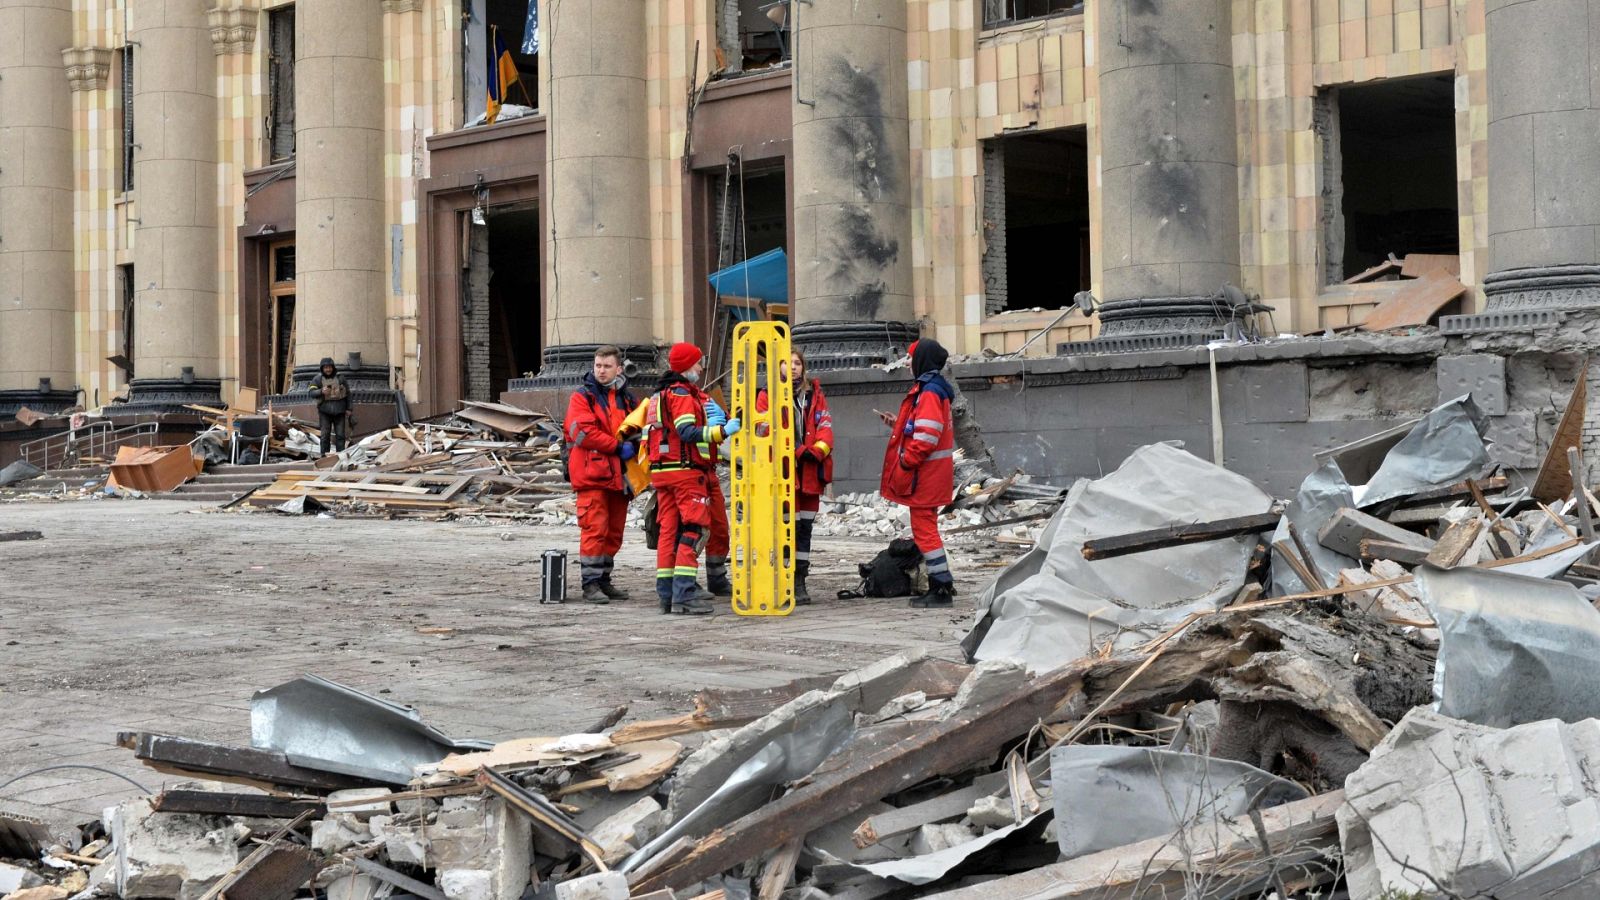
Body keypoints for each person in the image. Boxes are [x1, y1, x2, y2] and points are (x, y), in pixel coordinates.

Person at [645, 343, 740, 614]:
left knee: (668, 532)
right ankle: (684, 594)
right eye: (698, 363)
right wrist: (722, 431)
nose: (701, 367)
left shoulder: (659, 396)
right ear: (687, 365)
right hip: (686, 472)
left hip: (664, 473)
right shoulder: (683, 395)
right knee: (696, 529)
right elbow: (687, 432)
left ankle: (667, 592)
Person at [879, 339, 956, 608]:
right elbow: (922, 428)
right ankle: (942, 582)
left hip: (924, 475)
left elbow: (925, 438)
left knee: (925, 531)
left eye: (911, 358)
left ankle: (941, 588)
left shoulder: (929, 392)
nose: (909, 363)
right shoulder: (933, 390)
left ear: (923, 359)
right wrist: (896, 425)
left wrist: (906, 462)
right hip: (932, 474)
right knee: (927, 529)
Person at [756, 350, 834, 604]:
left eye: (797, 363)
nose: (792, 368)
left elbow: (825, 427)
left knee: (804, 528)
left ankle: (799, 580)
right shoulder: (768, 395)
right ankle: (785, 579)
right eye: (786, 363)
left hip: (810, 471)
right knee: (787, 526)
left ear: (804, 367)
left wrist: (816, 452)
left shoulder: (814, 394)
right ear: (777, 368)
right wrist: (798, 450)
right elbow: (766, 431)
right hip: (784, 472)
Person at [563, 346, 639, 604]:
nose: (601, 370)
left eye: (607, 366)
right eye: (598, 366)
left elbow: (639, 427)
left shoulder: (627, 399)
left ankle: (604, 581)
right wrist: (619, 447)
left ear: (619, 369)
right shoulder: (582, 397)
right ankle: (590, 584)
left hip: (618, 476)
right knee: (595, 529)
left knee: (613, 532)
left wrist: (637, 444)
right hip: (592, 474)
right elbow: (582, 433)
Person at [308, 357, 352, 456]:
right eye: (326, 368)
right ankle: (324, 458)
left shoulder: (341, 378)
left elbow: (348, 394)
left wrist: (349, 408)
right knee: (324, 436)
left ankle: (341, 458)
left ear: (333, 367)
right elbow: (311, 392)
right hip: (324, 412)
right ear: (322, 369)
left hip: (340, 411)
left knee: (340, 436)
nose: (328, 370)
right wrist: (320, 391)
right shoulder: (317, 379)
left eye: (330, 367)